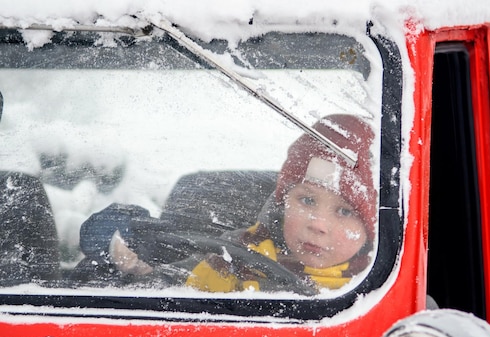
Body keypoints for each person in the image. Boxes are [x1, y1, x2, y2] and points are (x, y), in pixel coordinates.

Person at [76, 114, 377, 293]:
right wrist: (134, 268)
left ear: (373, 225)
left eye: (344, 211)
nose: (317, 224)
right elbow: (169, 294)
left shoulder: (382, 294)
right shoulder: (229, 262)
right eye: (307, 200)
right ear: (284, 202)